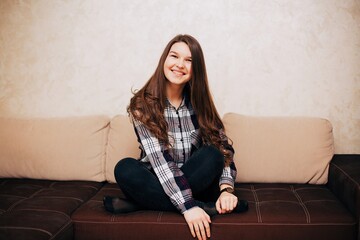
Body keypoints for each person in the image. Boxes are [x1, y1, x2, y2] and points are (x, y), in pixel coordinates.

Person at [103, 34, 248, 240]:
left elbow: (223, 150)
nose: (180, 65)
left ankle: (137, 205)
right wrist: (189, 207)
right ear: (165, 60)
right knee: (124, 168)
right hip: (158, 180)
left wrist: (226, 190)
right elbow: (161, 162)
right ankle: (205, 208)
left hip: (196, 182)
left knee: (212, 154)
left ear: (195, 68)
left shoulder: (200, 103)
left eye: (189, 60)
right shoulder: (142, 105)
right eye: (174, 56)